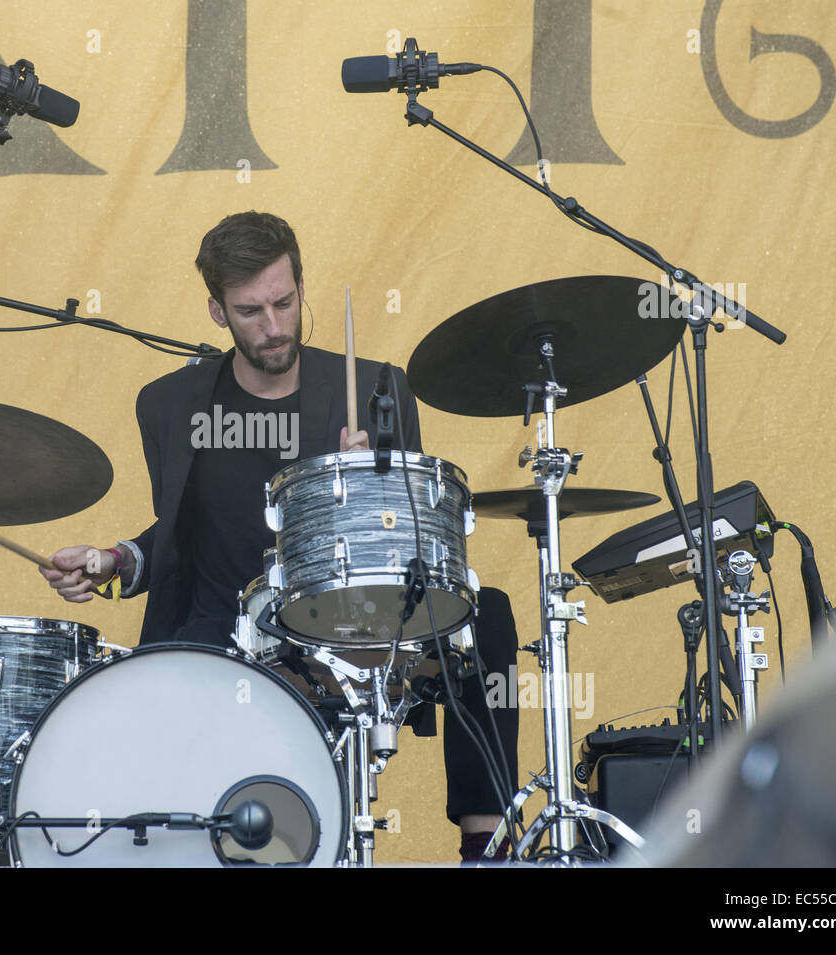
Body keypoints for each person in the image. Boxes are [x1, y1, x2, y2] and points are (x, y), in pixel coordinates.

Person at [40, 211, 516, 859]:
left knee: (486, 615)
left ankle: (486, 845)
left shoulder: (372, 389)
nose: (273, 326)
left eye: (284, 303)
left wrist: (367, 484)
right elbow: (183, 531)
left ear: (300, 286)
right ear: (217, 312)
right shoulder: (174, 406)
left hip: (345, 625)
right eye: (251, 311)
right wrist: (116, 558)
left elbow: (405, 540)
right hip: (227, 629)